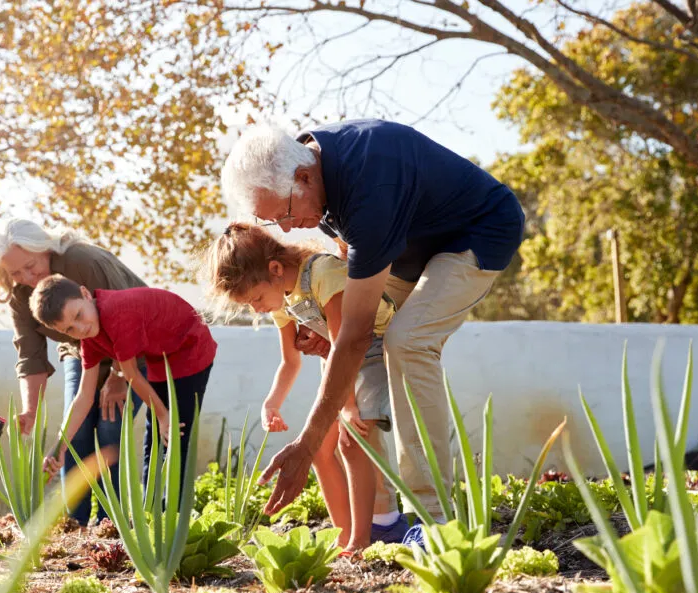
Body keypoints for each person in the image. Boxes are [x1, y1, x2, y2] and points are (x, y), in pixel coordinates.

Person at [220, 119, 524, 537]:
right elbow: (350, 292)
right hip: (411, 249)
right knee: (360, 350)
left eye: (286, 214)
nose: (286, 230)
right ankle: (382, 519)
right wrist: (327, 332)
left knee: (407, 340)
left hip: (477, 233)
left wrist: (307, 446)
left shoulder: (369, 188)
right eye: (276, 222)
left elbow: (357, 333)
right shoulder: (313, 177)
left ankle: (433, 519)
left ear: (304, 177)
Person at [203, 222, 408, 550]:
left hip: (370, 349)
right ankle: (344, 539)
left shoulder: (323, 273)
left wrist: (348, 404)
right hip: (339, 358)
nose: (257, 308)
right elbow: (291, 361)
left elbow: (348, 342)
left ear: (274, 269)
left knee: (353, 440)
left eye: (256, 298)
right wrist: (271, 402)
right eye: (249, 305)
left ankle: (369, 535)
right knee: (319, 451)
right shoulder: (280, 299)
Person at [0, 218, 146, 525]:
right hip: (84, 352)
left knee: (109, 428)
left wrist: (119, 378)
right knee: (75, 433)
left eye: (31, 265)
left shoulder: (82, 261)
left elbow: (128, 317)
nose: (27, 277)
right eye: (15, 272)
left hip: (135, 346)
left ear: (44, 248)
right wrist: (30, 409)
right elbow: (30, 354)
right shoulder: (21, 295)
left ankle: (110, 525)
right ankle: (74, 525)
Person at [30, 276, 217, 488]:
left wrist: (164, 416)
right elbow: (83, 397)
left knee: (176, 433)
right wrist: (60, 447)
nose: (80, 328)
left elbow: (131, 375)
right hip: (159, 358)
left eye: (79, 315)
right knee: (155, 439)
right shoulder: (90, 339)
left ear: (85, 294)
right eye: (69, 329)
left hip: (190, 349)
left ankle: (172, 515)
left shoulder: (117, 312)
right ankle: (151, 513)